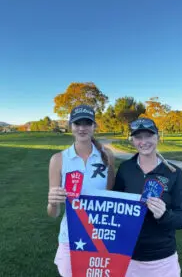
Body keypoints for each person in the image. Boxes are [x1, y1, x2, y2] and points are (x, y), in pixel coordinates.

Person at [113, 118, 182, 277]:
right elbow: (115, 208)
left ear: (157, 137)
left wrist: (164, 214)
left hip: (162, 259)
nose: (143, 142)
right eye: (138, 137)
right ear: (132, 140)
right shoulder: (125, 168)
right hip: (128, 256)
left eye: (148, 136)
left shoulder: (173, 173)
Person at [47, 104, 115, 277]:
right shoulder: (58, 159)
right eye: (78, 123)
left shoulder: (107, 156)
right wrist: (53, 202)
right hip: (71, 237)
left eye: (87, 123)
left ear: (94, 126)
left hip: (100, 236)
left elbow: (110, 199)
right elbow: (53, 213)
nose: (82, 128)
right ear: (71, 126)